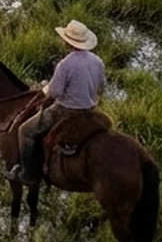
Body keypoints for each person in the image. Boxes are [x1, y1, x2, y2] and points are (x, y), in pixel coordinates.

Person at [7, 20, 105, 185]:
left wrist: (44, 103)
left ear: (67, 42)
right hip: (89, 109)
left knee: (25, 131)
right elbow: (101, 87)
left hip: (65, 110)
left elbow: (55, 92)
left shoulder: (65, 65)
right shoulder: (97, 61)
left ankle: (27, 174)